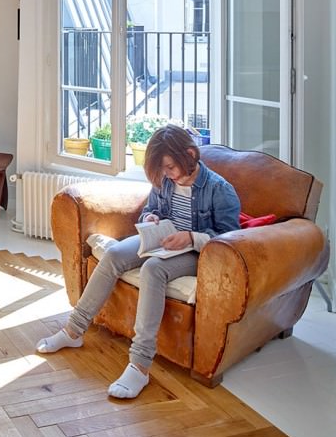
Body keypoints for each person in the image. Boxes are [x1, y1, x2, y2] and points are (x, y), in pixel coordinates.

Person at [36, 124, 241, 399]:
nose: (167, 175)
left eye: (170, 167)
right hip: (161, 241)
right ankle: (74, 330)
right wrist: (150, 219)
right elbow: (150, 209)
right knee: (114, 254)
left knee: (153, 269)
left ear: (190, 154)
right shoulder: (165, 180)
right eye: (162, 170)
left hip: (196, 252)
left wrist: (191, 238)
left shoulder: (220, 190)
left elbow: (230, 239)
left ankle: (140, 366)